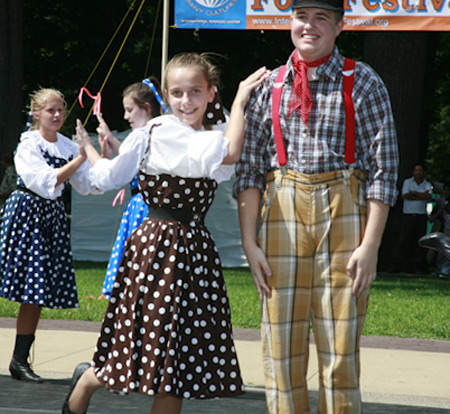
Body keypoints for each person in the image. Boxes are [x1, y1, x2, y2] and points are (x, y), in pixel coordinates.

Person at [62, 53, 271, 414]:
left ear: (209, 93)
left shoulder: (211, 134)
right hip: (156, 246)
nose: (185, 101)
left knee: (179, 363)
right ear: (165, 95)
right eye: (176, 93)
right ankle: (87, 382)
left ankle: (92, 377)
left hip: (195, 251)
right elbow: (110, 177)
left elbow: (232, 146)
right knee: (142, 343)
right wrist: (240, 100)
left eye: (194, 92)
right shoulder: (159, 131)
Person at [233, 0, 399, 413]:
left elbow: (384, 170)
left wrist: (371, 245)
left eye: (321, 17)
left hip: (344, 211)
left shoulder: (362, 81)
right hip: (282, 209)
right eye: (301, 16)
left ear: (340, 25)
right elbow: (249, 171)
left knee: (340, 346)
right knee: (280, 345)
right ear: (290, 22)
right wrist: (249, 242)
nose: (310, 26)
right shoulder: (268, 86)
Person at [0, 88, 99, 383]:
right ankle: (19, 361)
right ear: (36, 114)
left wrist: (100, 157)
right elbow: (44, 182)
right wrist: (81, 159)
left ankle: (19, 361)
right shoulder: (28, 143)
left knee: (35, 292)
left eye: (60, 111)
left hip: (50, 220)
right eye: (50, 111)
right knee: (17, 283)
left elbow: (88, 185)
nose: (57, 116)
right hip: (26, 214)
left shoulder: (69, 146)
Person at [80, 79, 163, 300]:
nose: (126, 116)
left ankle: (127, 295)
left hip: (143, 208)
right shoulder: (161, 131)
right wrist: (109, 137)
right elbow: (132, 157)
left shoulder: (141, 134)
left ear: (146, 108)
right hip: (159, 208)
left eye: (129, 110)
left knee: (137, 265)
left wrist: (88, 147)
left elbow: (112, 176)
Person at [390, 163, 433, 274]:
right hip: (408, 215)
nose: (418, 172)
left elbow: (428, 196)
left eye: (420, 170)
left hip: (421, 216)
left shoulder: (427, 184)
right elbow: (406, 195)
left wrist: (414, 194)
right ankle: (399, 265)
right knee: (404, 240)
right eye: (416, 170)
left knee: (419, 242)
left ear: (424, 172)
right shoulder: (407, 182)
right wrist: (420, 195)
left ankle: (417, 266)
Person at [424, 180, 450, 278]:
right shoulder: (441, 202)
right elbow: (433, 217)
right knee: (442, 251)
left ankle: (445, 271)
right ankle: (440, 270)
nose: (446, 192)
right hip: (445, 228)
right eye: (445, 190)